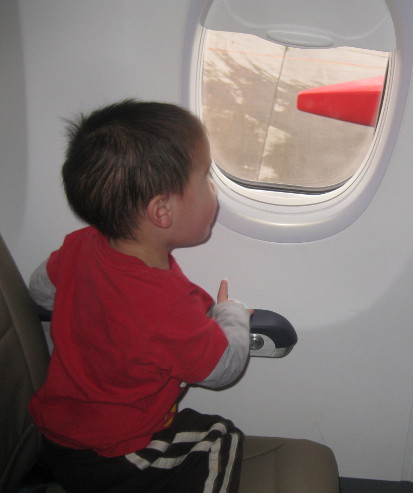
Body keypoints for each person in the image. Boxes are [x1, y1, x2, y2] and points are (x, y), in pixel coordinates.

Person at [27, 100, 251, 492]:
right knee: (221, 437)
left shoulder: (81, 245)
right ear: (162, 211)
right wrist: (232, 314)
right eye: (205, 178)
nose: (214, 188)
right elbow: (222, 369)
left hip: (61, 433)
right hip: (113, 451)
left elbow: (40, 293)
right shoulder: (163, 305)